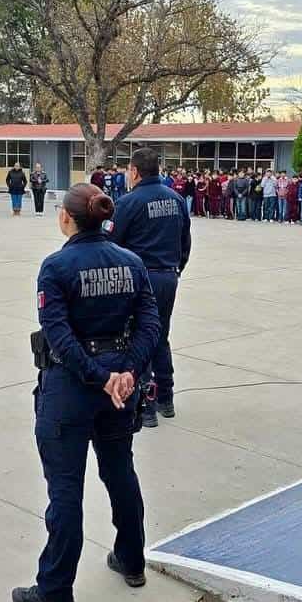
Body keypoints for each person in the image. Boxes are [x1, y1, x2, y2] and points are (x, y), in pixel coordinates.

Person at [12, 183, 160, 602]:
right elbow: (150, 324)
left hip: (73, 389)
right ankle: (132, 560)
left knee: (65, 491)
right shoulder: (131, 262)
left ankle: (55, 592)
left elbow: (58, 334)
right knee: (120, 473)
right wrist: (127, 372)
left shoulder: (56, 267)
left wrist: (103, 376)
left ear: (67, 219)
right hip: (118, 388)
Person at [110, 147, 191, 428]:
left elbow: (113, 244)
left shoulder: (128, 202)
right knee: (160, 336)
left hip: (141, 279)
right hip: (168, 276)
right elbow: (185, 241)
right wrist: (176, 267)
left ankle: (146, 404)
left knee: (138, 339)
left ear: (134, 171)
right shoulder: (177, 199)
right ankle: (166, 398)